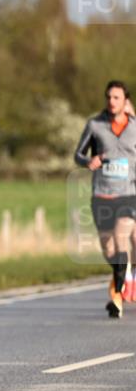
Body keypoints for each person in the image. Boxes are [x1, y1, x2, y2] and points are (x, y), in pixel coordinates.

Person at [74, 80, 136, 317]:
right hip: (101, 195)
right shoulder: (95, 125)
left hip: (128, 195)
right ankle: (124, 273)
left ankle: (119, 292)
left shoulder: (135, 127)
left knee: (122, 239)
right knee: (109, 250)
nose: (112, 101)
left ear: (125, 101)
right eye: (109, 97)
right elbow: (78, 154)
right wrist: (88, 161)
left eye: (117, 97)